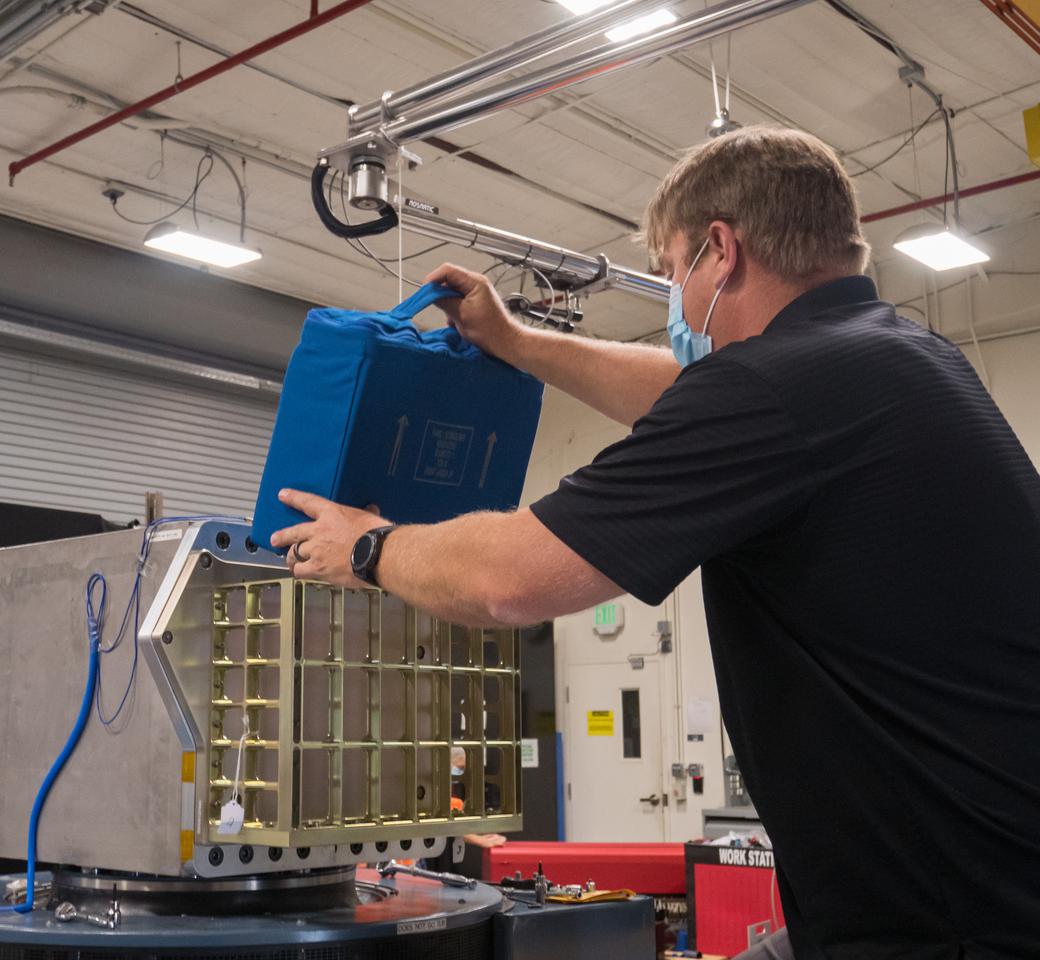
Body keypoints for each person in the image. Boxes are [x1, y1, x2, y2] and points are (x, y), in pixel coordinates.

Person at [271, 126, 1040, 960]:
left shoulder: (773, 391)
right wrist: (520, 344)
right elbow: (687, 394)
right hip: (978, 876)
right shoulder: (901, 355)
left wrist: (370, 548)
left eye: (672, 270)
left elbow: (510, 581)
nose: (672, 294)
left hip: (952, 921)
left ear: (722, 249)